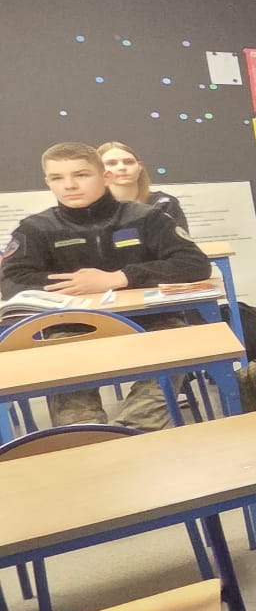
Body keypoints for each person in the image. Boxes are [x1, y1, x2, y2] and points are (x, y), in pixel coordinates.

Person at [2, 142, 211, 429]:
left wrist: (120, 277)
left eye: (81, 175)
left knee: (177, 343)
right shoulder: (36, 228)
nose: (69, 185)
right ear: (48, 182)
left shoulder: (147, 218)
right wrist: (76, 285)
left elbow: (195, 264)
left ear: (105, 177)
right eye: (57, 178)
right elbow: (12, 279)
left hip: (152, 322)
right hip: (73, 327)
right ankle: (87, 435)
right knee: (72, 404)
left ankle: (133, 431)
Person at [98, 141, 188, 229]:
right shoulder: (94, 210)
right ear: (99, 169)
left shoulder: (164, 204)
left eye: (129, 162)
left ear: (140, 167)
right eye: (111, 163)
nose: (122, 167)